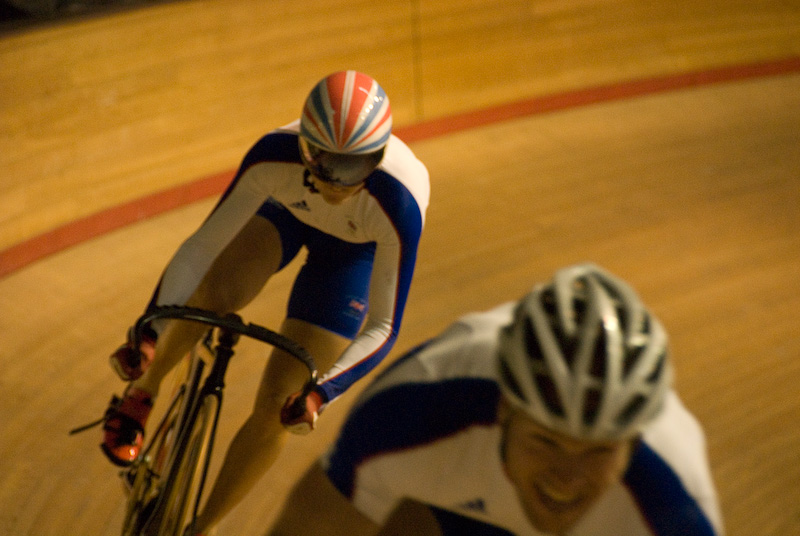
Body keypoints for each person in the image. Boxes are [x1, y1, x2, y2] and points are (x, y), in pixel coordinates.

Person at [100, 70, 430, 535]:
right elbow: (201, 248)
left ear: (376, 158)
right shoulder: (273, 156)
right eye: (326, 164)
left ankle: (202, 527)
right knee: (214, 294)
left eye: (354, 168)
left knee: (280, 407)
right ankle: (143, 393)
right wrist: (149, 332)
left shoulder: (400, 202)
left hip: (352, 254)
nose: (338, 183)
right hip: (287, 213)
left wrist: (320, 393)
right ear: (305, 147)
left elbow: (383, 325)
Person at [267, 263, 725, 536]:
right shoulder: (417, 408)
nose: (566, 478)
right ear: (504, 410)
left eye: (598, 452)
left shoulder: (675, 495)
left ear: (634, 444)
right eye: (546, 441)